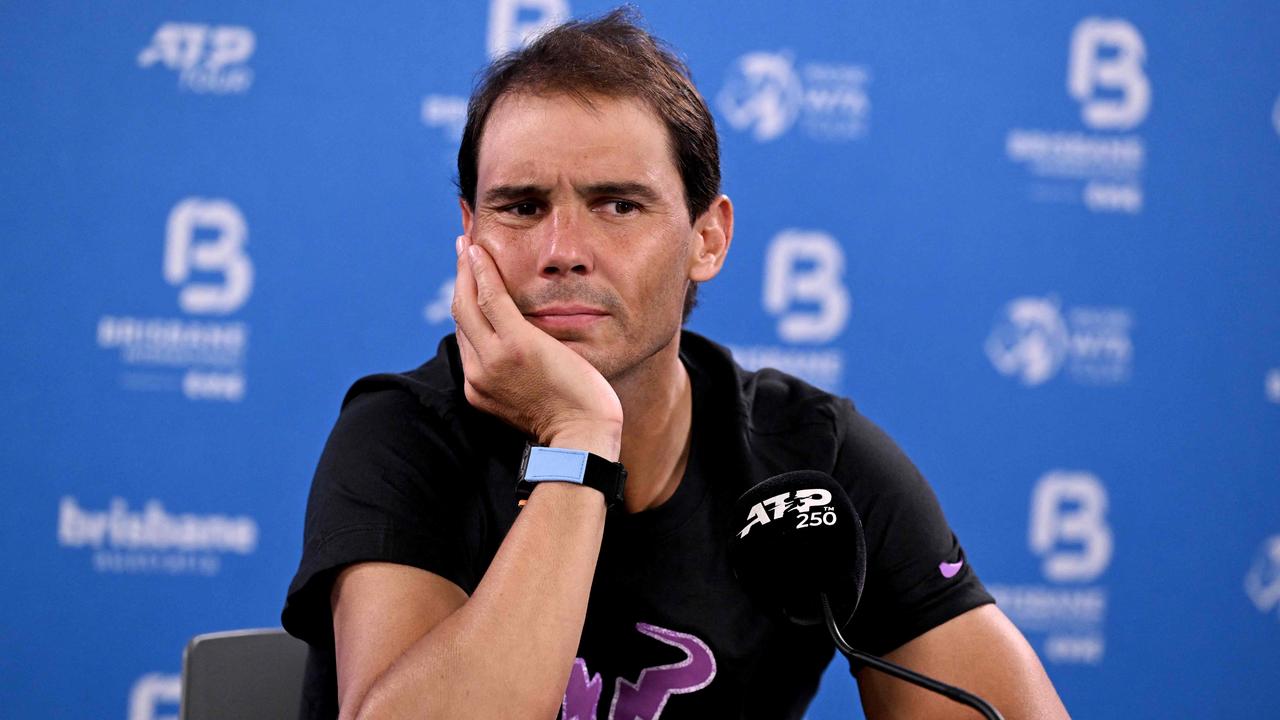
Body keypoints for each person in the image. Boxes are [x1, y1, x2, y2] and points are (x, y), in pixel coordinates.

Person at [282, 9, 1069, 719]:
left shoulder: (810, 461)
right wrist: (579, 439)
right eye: (521, 207)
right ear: (469, 235)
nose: (562, 253)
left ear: (708, 240)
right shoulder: (403, 437)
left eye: (618, 205)